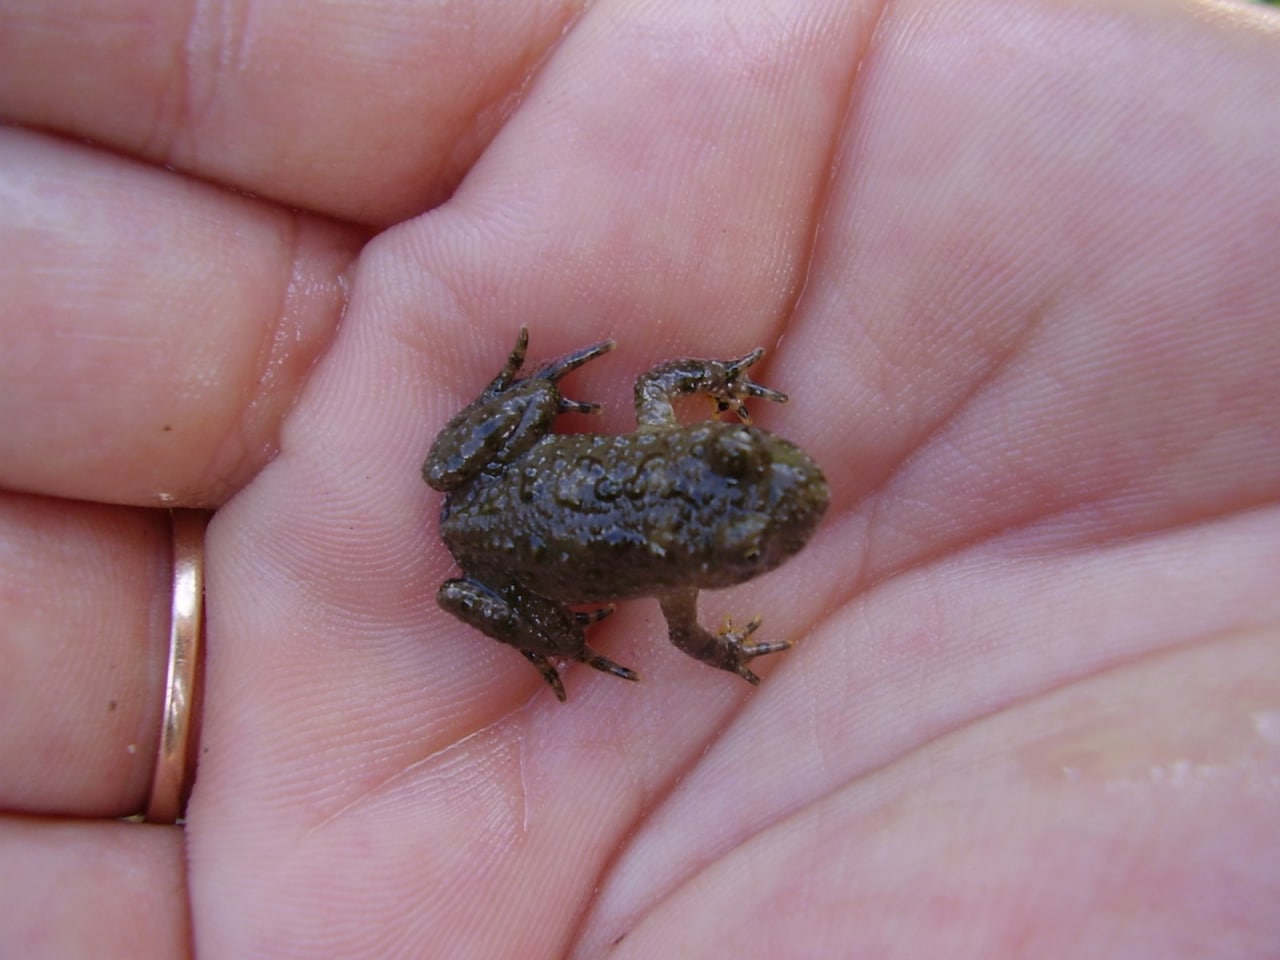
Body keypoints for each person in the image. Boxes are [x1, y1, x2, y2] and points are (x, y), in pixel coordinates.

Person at [2, 0, 1278, 955]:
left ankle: (545, 550)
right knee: (498, 562)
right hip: (493, 541)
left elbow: (670, 408)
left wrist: (660, 452)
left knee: (510, 524)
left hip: (505, 502)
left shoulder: (673, 461)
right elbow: (682, 587)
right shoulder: (671, 551)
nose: (767, 469)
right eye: (739, 466)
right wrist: (635, 630)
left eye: (747, 508)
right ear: (698, 472)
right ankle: (548, 586)